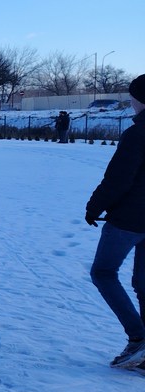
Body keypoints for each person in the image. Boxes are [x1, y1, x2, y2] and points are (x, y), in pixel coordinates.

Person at [85, 74, 145, 370]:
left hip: (130, 219)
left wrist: (94, 206)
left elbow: (118, 180)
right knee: (143, 283)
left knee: (103, 272)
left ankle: (138, 338)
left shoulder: (138, 134)